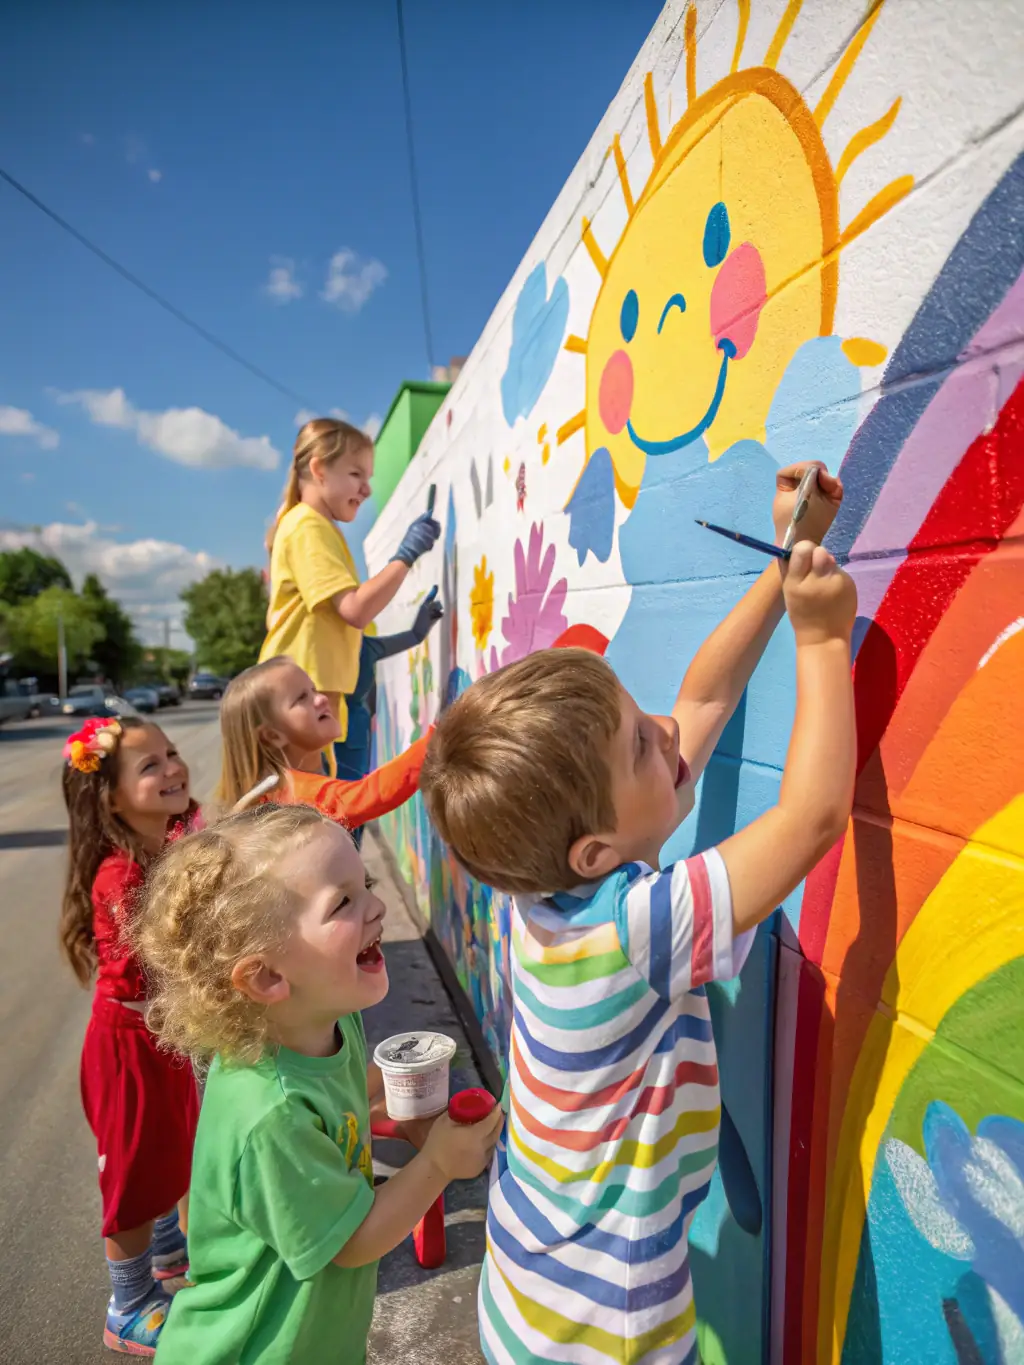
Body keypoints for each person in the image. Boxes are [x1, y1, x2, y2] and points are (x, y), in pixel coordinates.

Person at [419, 464, 856, 1365]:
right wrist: (822, 638)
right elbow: (813, 815)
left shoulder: (539, 889)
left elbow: (700, 703)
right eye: (639, 743)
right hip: (607, 1326)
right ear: (597, 851)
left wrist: (781, 571)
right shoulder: (635, 931)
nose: (663, 726)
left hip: (526, 1283)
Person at [132, 803, 504, 1364]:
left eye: (367, 884)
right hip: (251, 1351)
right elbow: (352, 1243)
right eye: (344, 903)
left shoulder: (332, 1023)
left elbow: (349, 1096)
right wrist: (438, 1165)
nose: (377, 906)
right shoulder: (270, 1116)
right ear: (267, 976)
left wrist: (405, 1111)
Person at [60, 716, 200, 1357]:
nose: (173, 768)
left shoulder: (172, 842)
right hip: (127, 1046)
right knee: (134, 1176)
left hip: (159, 1033)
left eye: (171, 754)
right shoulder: (120, 876)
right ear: (111, 797)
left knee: (172, 1146)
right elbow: (141, 964)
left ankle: (169, 1252)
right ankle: (129, 1303)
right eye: (151, 766)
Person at [260, 417, 440, 753]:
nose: (367, 489)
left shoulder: (318, 527)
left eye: (368, 477)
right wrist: (407, 555)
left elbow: (348, 634)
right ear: (319, 470)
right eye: (356, 474)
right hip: (300, 707)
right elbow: (354, 610)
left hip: (309, 701)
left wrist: (413, 634)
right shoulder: (306, 526)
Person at [215, 655, 433, 833]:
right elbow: (369, 794)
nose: (321, 699)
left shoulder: (277, 787)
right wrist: (437, 739)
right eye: (301, 698)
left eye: (314, 690)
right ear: (271, 736)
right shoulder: (293, 793)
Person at [335, 585, 444, 790]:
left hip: (356, 730)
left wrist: (425, 617)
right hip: (330, 733)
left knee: (354, 792)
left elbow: (413, 636)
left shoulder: (366, 647)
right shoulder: (326, 651)